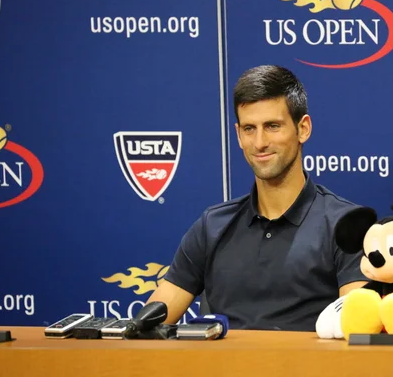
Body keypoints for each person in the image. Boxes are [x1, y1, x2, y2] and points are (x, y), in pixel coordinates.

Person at [147, 65, 368, 331]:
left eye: (272, 126)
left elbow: (359, 333)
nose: (260, 142)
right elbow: (148, 325)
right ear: (238, 135)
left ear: (303, 129)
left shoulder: (347, 225)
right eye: (249, 129)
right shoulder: (212, 225)